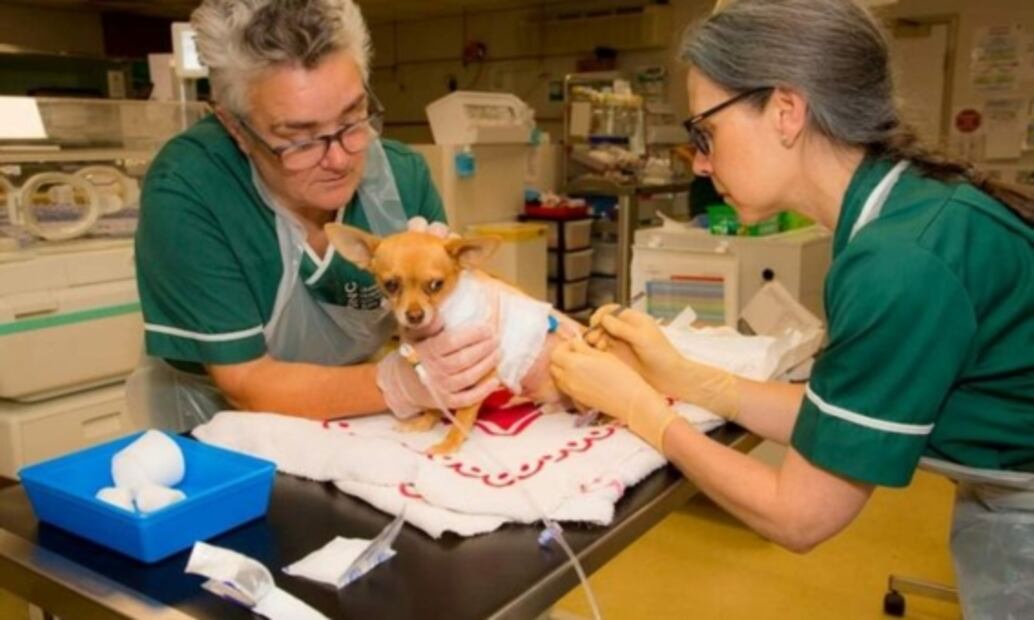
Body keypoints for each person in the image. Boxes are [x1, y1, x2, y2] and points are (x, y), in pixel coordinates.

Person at [550, 0, 1033, 616]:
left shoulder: (901, 261)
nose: (699, 161)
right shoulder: (901, 211)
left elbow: (798, 515)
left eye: (705, 132)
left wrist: (639, 408)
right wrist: (689, 380)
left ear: (785, 111)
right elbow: (841, 415)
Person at [128, 0, 500, 432]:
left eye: (353, 118)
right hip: (217, 430)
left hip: (365, 422)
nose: (340, 159)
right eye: (300, 140)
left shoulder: (400, 179)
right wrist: (401, 382)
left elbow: (447, 323)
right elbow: (245, 382)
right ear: (236, 129)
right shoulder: (191, 190)